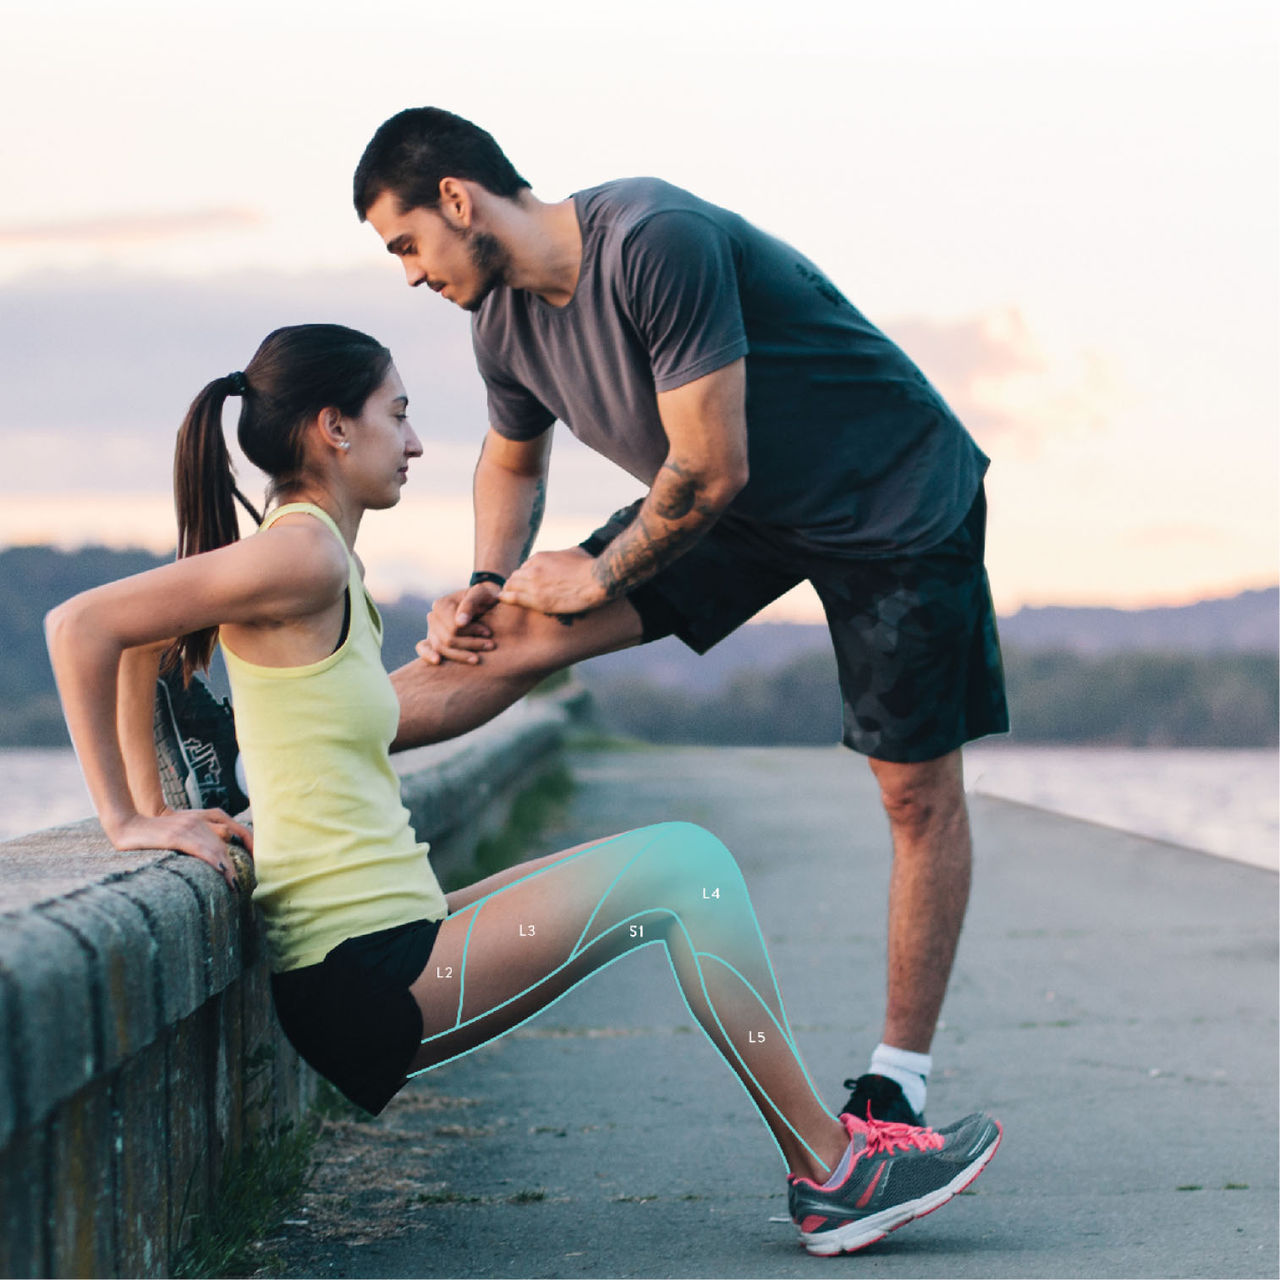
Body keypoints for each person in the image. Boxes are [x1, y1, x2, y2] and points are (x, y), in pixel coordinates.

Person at [45, 323, 999, 1257]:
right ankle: (833, 1174)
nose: (416, 443)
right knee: (685, 867)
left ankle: (829, 1165)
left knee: (674, 876)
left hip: (390, 943)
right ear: (334, 428)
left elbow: (142, 642)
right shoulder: (306, 554)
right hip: (369, 980)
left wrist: (160, 799)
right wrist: (131, 818)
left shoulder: (320, 559)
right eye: (399, 415)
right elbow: (86, 627)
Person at [345, 107, 1010, 1126]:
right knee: (506, 634)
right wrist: (490, 576)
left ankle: (895, 1081)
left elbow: (711, 466)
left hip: (887, 495)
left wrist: (596, 571)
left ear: (455, 199)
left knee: (912, 795)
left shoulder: (652, 237)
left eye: (405, 244)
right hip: (726, 502)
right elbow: (513, 459)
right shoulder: (502, 326)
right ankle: (283, 763)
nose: (409, 273)